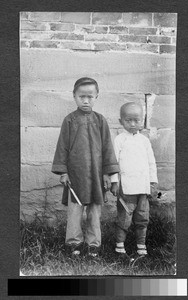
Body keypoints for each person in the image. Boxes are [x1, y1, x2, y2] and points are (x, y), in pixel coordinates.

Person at [51, 77, 119, 258]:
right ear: (74, 96)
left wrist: (107, 173)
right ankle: (74, 242)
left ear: (97, 96)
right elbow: (62, 147)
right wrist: (63, 172)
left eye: (90, 96)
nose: (86, 100)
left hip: (96, 176)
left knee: (95, 211)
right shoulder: (69, 121)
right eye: (81, 96)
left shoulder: (100, 120)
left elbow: (107, 148)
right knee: (75, 211)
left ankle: (93, 244)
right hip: (75, 176)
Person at [110, 102, 158, 260]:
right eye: (128, 120)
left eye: (136, 120)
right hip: (127, 189)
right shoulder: (119, 140)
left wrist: (152, 182)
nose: (132, 124)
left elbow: (151, 162)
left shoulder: (144, 141)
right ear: (120, 121)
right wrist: (114, 182)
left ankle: (141, 247)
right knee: (124, 218)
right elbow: (113, 163)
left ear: (142, 121)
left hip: (143, 188)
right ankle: (120, 247)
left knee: (142, 218)